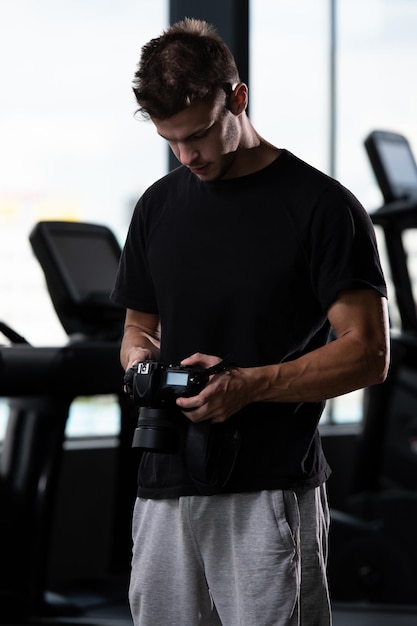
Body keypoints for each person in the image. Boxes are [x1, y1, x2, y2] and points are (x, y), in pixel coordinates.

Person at [111, 17, 390, 626]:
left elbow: (369, 353)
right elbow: (139, 326)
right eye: (171, 141)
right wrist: (140, 363)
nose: (188, 156)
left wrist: (249, 385)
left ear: (237, 98)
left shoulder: (321, 207)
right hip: (164, 485)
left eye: (200, 135)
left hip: (267, 486)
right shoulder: (157, 207)